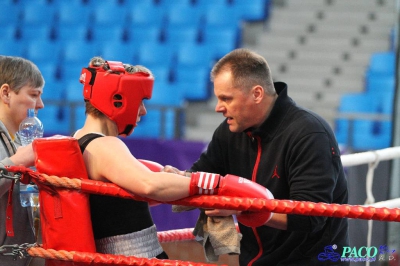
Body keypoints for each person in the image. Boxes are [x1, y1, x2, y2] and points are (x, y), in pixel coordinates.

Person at [71, 56, 273, 259]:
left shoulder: (79, 140)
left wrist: (176, 179)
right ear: (118, 99)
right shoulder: (104, 145)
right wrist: (217, 184)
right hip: (138, 261)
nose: (143, 110)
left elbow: (132, 195)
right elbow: (150, 185)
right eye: (140, 101)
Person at [165, 48, 349, 265]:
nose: (218, 108)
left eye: (226, 98)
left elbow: (310, 215)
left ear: (257, 94)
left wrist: (243, 207)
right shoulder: (229, 131)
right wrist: (176, 179)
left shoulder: (309, 133)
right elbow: (202, 174)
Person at [0, 56, 45, 266]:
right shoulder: (23, 150)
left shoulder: (22, 139)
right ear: (6, 93)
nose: (41, 105)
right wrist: (17, 162)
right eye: (34, 95)